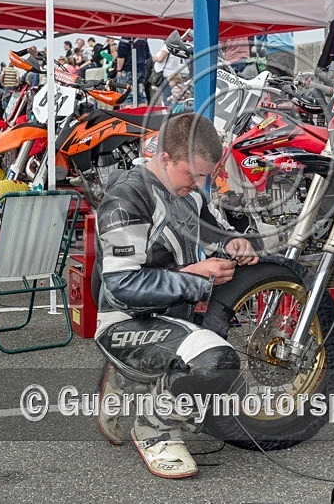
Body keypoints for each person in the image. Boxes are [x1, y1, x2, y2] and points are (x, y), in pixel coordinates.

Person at [94, 113, 258, 479]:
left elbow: (215, 231)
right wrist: (192, 276)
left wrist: (235, 242)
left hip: (168, 318)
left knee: (235, 382)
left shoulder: (184, 191)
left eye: (206, 176)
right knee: (218, 364)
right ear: (166, 158)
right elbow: (121, 285)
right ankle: (154, 427)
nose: (200, 183)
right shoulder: (127, 195)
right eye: (194, 174)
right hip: (122, 322)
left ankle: (130, 381)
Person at [116, 37, 150, 105]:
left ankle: (129, 115)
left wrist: (119, 70)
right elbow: (147, 55)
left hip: (127, 69)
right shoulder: (143, 38)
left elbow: (121, 57)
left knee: (128, 96)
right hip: (141, 69)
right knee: (141, 96)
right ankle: (142, 115)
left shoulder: (125, 38)